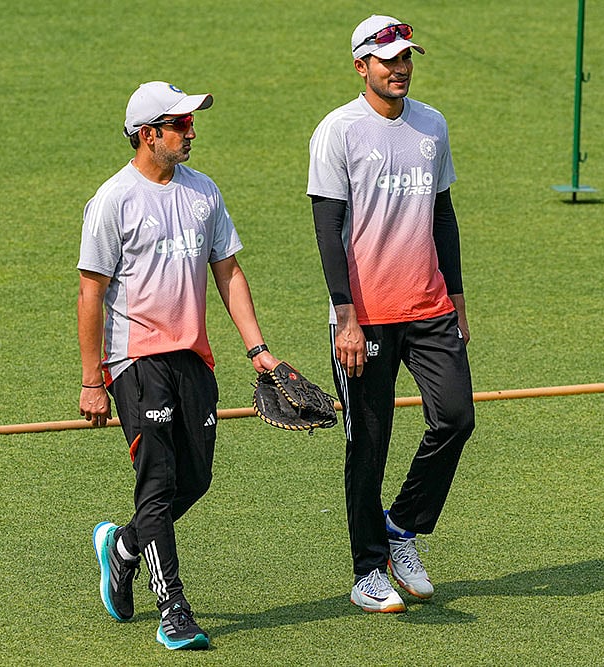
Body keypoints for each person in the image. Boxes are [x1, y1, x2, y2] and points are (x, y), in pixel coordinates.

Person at [77, 80, 279, 650]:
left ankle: (122, 547)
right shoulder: (112, 200)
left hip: (194, 358)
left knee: (196, 479)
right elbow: (91, 291)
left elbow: (229, 272)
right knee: (160, 482)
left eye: (191, 123)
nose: (192, 132)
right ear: (148, 135)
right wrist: (94, 380)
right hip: (135, 361)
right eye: (180, 125)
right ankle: (174, 609)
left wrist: (258, 350)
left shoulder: (203, 193)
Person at [306, 15, 476, 613]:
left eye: (407, 59)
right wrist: (345, 318)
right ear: (362, 67)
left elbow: (444, 214)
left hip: (429, 305)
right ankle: (367, 570)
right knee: (368, 445)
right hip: (366, 317)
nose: (401, 68)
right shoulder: (337, 132)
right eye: (389, 60)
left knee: (455, 418)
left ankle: (402, 526)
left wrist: (456, 299)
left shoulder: (432, 125)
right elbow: (328, 229)